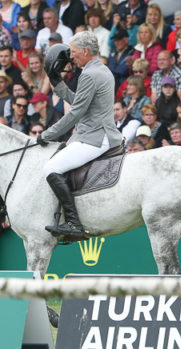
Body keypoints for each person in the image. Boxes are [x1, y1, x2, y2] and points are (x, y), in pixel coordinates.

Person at [36, 33, 123, 240]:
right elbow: (79, 102)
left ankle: (74, 223)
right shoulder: (99, 69)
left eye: (73, 52)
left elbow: (75, 113)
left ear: (85, 51)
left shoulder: (90, 74)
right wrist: (57, 84)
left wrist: (47, 134)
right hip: (98, 132)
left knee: (51, 168)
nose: (71, 57)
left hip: (95, 136)